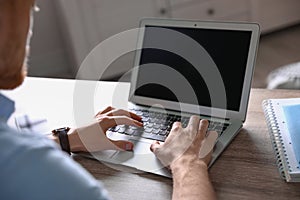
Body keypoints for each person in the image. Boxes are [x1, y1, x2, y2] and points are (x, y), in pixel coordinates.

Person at [0, 1, 217, 200]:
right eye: (30, 7)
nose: (29, 27)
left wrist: (65, 139)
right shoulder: (45, 175)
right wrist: (187, 163)